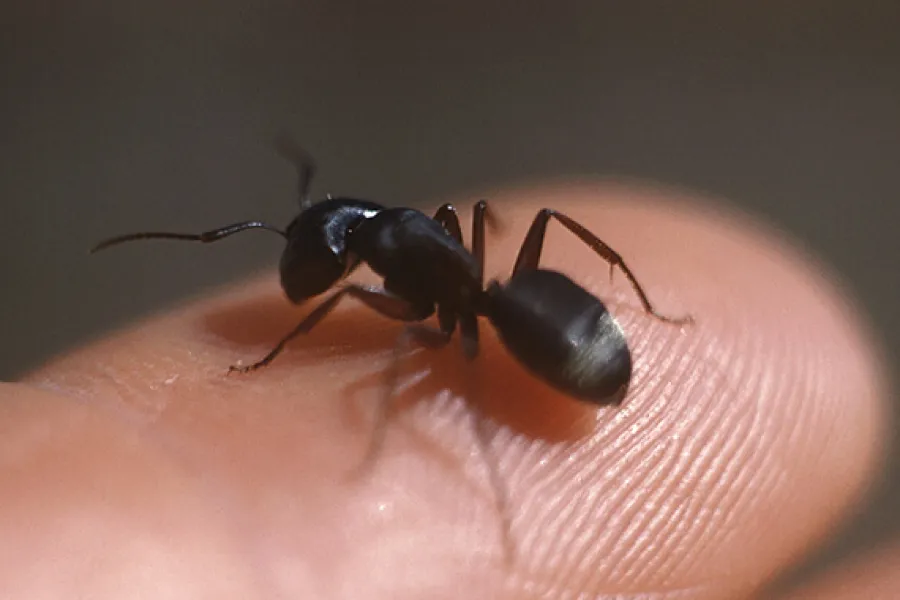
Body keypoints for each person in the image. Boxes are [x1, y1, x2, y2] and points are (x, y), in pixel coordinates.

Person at [1, 185, 891, 598]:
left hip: (556, 335)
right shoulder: (413, 238)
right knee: (478, 273)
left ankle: (492, 479)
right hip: (534, 312)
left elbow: (381, 306)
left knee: (406, 332)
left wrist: (283, 360)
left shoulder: (403, 272)